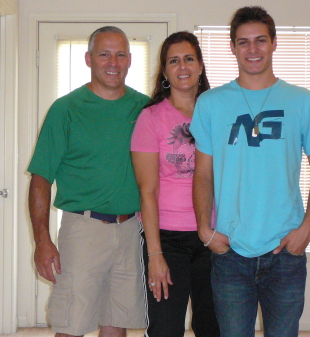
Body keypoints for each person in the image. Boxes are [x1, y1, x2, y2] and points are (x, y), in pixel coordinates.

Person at [190, 6, 310, 337]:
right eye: (243, 42)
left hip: (285, 251)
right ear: (232, 47)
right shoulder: (211, 103)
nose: (252, 50)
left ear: (274, 43)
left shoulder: (303, 101)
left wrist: (306, 229)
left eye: (260, 40)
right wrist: (204, 229)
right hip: (230, 252)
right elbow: (202, 174)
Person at [28, 26, 149, 337]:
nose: (113, 62)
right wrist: (42, 240)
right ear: (89, 59)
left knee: (116, 322)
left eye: (120, 54)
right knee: (72, 324)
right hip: (83, 232)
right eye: (104, 54)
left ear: (130, 60)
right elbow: (41, 179)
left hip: (129, 231)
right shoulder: (65, 110)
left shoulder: (144, 108)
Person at [131, 31, 219, 337]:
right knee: (166, 330)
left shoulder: (218, 114)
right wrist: (155, 254)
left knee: (214, 327)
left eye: (189, 59)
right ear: (165, 71)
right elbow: (147, 190)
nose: (182, 66)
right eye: (173, 61)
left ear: (200, 66)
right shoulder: (151, 118)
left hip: (214, 237)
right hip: (167, 240)